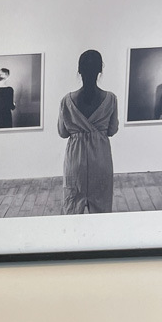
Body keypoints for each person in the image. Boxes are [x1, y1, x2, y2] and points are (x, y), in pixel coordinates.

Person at [57, 49, 119, 214]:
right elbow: (112, 130)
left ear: (79, 70)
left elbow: (62, 132)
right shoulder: (111, 99)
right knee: (101, 211)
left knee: (72, 210)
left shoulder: (67, 100)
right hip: (101, 159)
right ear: (100, 70)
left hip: (75, 161)